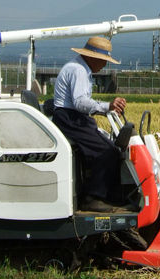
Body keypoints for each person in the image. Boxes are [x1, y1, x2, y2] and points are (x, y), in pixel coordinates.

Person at [52, 35, 128, 213]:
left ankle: (108, 194)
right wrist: (107, 106)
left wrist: (105, 108)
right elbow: (80, 102)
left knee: (109, 147)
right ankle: (93, 198)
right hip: (71, 118)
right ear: (93, 57)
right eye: (103, 61)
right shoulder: (78, 70)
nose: (104, 65)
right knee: (106, 151)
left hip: (73, 117)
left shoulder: (80, 68)